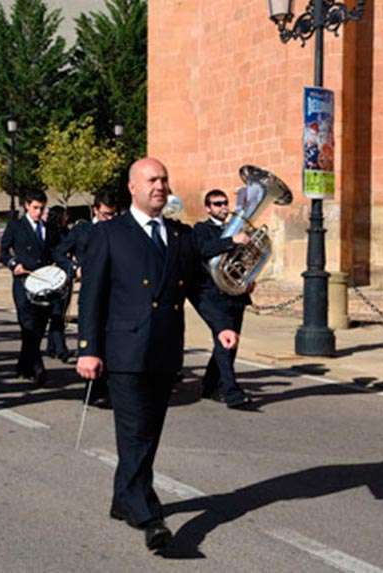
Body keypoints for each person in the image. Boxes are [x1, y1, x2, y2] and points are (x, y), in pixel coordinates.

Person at [76, 158, 245, 553]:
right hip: (125, 352)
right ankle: (150, 516)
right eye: (152, 179)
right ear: (132, 187)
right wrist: (88, 350)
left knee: (148, 434)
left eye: (164, 179)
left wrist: (219, 324)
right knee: (134, 433)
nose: (159, 185)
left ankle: (123, 499)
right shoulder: (109, 234)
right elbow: (91, 298)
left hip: (166, 352)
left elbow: (197, 289)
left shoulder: (178, 235)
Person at [53, 189, 121, 406]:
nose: (109, 219)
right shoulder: (83, 230)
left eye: (113, 215)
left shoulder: (121, 230)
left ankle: (109, 387)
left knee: (113, 340)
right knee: (93, 336)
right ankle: (93, 389)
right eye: (105, 214)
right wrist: (74, 268)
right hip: (91, 292)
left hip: (115, 292)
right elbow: (59, 252)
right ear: (95, 210)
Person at [193, 189, 254, 408]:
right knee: (225, 342)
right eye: (217, 204)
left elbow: (244, 261)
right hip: (211, 295)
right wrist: (231, 240)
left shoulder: (238, 230)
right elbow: (202, 249)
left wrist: (249, 278)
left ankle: (209, 386)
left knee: (230, 343)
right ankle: (231, 392)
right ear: (208, 208)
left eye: (225, 203)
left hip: (235, 294)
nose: (223, 208)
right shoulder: (201, 229)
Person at [0, 190, 59, 387]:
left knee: (39, 328)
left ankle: (23, 365)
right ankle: (37, 368)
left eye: (41, 208)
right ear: (26, 206)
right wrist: (13, 264)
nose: (38, 212)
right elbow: (3, 250)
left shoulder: (49, 228)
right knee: (29, 326)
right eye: (35, 208)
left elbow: (56, 251)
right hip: (23, 283)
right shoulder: (16, 226)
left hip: (43, 285)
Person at [45, 204, 73, 361]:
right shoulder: (51, 232)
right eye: (64, 215)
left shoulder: (66, 231)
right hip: (55, 275)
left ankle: (52, 346)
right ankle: (61, 348)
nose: (67, 218)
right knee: (56, 312)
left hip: (66, 275)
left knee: (60, 312)